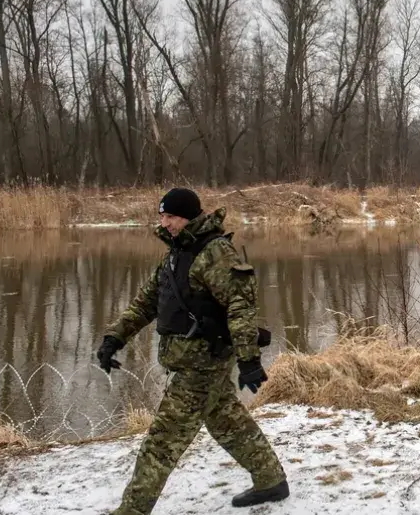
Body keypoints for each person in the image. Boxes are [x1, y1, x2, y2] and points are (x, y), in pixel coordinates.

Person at [95, 187, 289, 514]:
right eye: (162, 216)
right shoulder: (175, 255)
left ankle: (131, 511)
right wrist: (114, 338)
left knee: (160, 444)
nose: (165, 222)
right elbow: (146, 304)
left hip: (203, 365)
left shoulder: (215, 253)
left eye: (171, 216)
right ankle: (271, 481)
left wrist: (248, 360)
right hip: (189, 363)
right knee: (227, 421)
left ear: (189, 216)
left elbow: (241, 306)